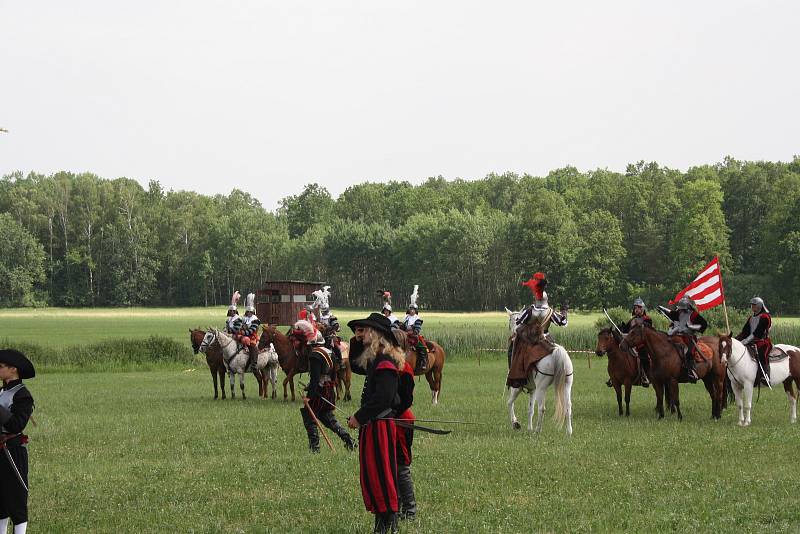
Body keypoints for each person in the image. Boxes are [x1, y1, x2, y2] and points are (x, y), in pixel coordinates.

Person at [346, 313, 404, 534]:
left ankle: (390, 523)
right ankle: (382, 523)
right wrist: (355, 339)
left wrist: (359, 417)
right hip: (374, 426)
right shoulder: (376, 358)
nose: (360, 335)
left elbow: (383, 398)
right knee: (374, 474)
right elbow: (356, 364)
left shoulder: (385, 361)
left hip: (380, 426)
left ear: (375, 333)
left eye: (364, 330)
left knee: (382, 474)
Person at [296, 322, 356, 453]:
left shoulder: (315, 355)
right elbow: (332, 374)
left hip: (320, 391)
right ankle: (349, 440)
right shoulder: (330, 352)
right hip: (328, 390)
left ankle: (315, 448)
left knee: (308, 416)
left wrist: (309, 396)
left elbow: (315, 379)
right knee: (327, 418)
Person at [0, 349, 36, 534]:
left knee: (16, 498)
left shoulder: (23, 395)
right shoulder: (2, 391)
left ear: (13, 369)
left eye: (0, 366)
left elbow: (16, 425)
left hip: (12, 451)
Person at [508, 272, 568, 368]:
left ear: (535, 299)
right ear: (546, 299)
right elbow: (563, 322)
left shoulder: (529, 311)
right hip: (546, 338)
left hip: (530, 338)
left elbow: (518, 321)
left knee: (512, 347)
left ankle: (512, 370)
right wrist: (564, 311)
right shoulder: (550, 312)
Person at [391, 330, 417, 522]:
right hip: (389, 422)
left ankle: (410, 511)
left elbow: (406, 400)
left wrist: (391, 414)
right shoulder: (387, 365)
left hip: (401, 421)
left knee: (401, 467)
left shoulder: (405, 368)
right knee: (391, 466)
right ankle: (397, 507)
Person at [657, 297, 707, 382]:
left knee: (689, 352)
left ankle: (691, 371)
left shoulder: (694, 315)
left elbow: (704, 325)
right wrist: (662, 309)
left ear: (688, 308)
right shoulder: (678, 313)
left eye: (683, 309)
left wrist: (691, 326)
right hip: (676, 336)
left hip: (688, 337)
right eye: (680, 309)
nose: (680, 311)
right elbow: (671, 314)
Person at [609, 298, 653, 387]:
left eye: (639, 308)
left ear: (643, 309)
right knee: (619, 355)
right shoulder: (632, 320)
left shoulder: (647, 319)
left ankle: (644, 377)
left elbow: (647, 330)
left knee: (642, 356)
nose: (637, 310)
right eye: (635, 308)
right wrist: (619, 327)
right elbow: (625, 329)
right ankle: (614, 376)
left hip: (641, 344)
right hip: (630, 344)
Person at [735, 296, 772, 385]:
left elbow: (757, 333)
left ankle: (765, 376)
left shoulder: (765, 317)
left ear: (759, 306)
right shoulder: (751, 318)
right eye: (752, 305)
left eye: (754, 305)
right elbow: (745, 332)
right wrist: (735, 340)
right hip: (751, 341)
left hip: (762, 341)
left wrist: (745, 341)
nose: (752, 307)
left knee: (762, 353)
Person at [237, 293, 261, 372]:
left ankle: (254, 364)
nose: (249, 313)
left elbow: (252, 330)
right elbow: (240, 325)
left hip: (252, 336)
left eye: (251, 312)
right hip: (243, 335)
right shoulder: (244, 318)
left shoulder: (255, 319)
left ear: (253, 312)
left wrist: (244, 332)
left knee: (253, 347)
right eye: (248, 312)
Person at [402, 305, 427, 374]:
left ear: (415, 311)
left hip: (414, 336)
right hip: (405, 335)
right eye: (411, 309)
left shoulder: (417, 319)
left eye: (413, 309)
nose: (412, 311)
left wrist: (412, 332)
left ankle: (423, 362)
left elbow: (417, 329)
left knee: (421, 347)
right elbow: (402, 327)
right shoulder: (406, 317)